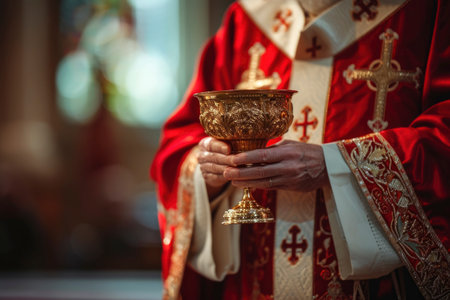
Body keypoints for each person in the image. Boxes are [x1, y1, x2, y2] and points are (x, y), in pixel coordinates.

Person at [151, 0, 450, 299]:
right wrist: (207, 171)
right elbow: (178, 147)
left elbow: (443, 139)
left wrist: (337, 167)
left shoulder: (426, 12)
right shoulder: (247, 20)